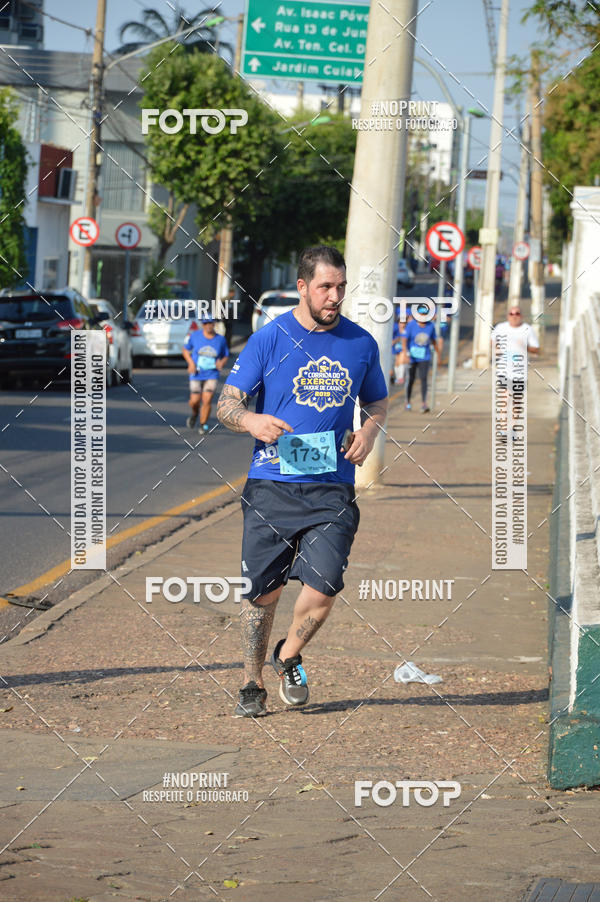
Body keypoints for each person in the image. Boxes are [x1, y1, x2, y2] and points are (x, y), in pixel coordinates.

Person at [217, 245, 388, 717]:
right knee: (263, 592)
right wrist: (252, 422)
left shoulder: (360, 344)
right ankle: (251, 680)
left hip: (331, 485)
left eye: (340, 287)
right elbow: (226, 405)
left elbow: (377, 403)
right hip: (271, 483)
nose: (334, 296)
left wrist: (369, 433)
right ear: (302, 287)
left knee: (326, 584)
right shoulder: (268, 340)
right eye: (325, 287)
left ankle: (288, 654)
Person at [491, 305, 539, 440]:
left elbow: (536, 349)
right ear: (508, 316)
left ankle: (512, 429)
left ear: (521, 316)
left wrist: (526, 346)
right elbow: (493, 341)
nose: (514, 316)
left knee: (516, 403)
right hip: (504, 371)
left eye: (517, 313)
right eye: (511, 314)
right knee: (505, 400)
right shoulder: (501, 327)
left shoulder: (528, 330)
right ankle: (503, 429)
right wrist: (497, 349)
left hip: (520, 372)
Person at [182, 317, 228, 433]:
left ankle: (203, 424)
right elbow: (185, 350)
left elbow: (225, 355)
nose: (208, 325)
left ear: (214, 324)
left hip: (212, 373)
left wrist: (221, 363)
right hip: (196, 373)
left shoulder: (220, 340)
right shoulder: (195, 336)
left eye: (210, 323)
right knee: (194, 401)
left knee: (207, 400)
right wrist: (190, 363)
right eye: (205, 323)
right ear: (202, 325)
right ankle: (195, 413)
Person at [402, 304, 441, 413]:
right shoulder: (411, 325)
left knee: (424, 379)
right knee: (411, 379)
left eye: (425, 314)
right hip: (412, 357)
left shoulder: (430, 326)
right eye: (421, 314)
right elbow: (404, 340)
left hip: (425, 356)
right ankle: (407, 402)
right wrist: (405, 354)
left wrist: (438, 355)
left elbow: (434, 340)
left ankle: (424, 403)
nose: (423, 316)